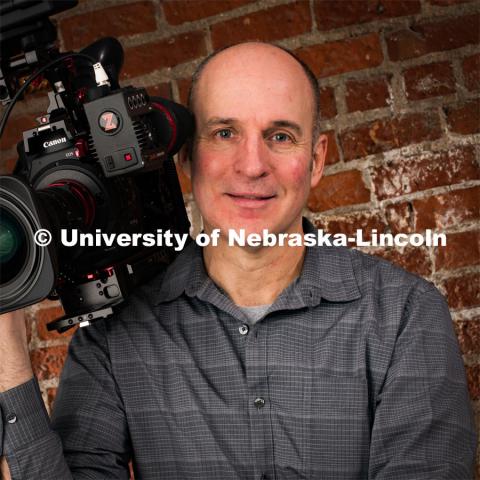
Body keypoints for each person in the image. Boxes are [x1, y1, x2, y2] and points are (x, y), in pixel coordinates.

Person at [0, 42, 476, 480]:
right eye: (224, 132)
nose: (252, 165)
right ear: (186, 157)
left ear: (316, 159)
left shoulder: (405, 316)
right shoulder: (113, 335)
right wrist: (7, 354)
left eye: (282, 136)